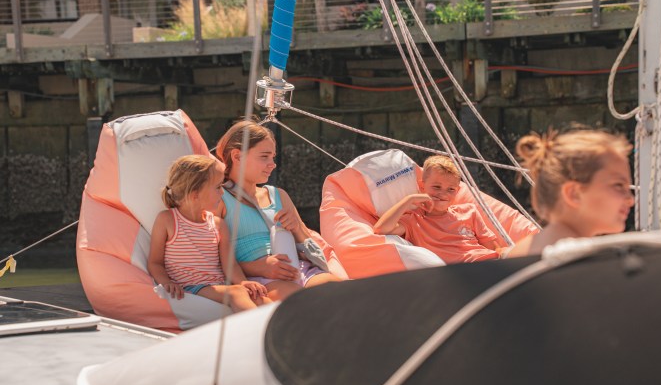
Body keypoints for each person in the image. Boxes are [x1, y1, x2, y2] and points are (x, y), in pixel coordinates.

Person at [215, 119, 343, 301]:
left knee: (344, 294)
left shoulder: (279, 195)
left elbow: (314, 251)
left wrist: (297, 229)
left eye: (273, 157)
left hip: (300, 271)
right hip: (259, 280)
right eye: (264, 156)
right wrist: (260, 268)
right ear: (237, 156)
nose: (272, 164)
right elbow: (213, 260)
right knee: (303, 301)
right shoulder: (219, 199)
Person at [148, 154, 270, 312]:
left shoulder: (218, 224)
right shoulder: (167, 220)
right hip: (192, 287)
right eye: (218, 187)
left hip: (221, 286)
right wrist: (166, 282)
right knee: (237, 294)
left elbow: (229, 264)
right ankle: (258, 334)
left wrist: (242, 282)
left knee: (261, 298)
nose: (222, 193)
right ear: (195, 194)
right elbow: (155, 262)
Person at [506, 127, 633, 257]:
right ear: (574, 194)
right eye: (618, 185)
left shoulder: (513, 255)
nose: (631, 200)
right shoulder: (590, 262)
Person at [373, 155, 503, 263]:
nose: (443, 194)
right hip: (463, 274)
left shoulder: (469, 211)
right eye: (436, 187)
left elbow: (494, 249)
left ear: (457, 191)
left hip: (489, 264)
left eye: (450, 189)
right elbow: (380, 230)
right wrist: (409, 200)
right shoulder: (414, 220)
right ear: (422, 187)